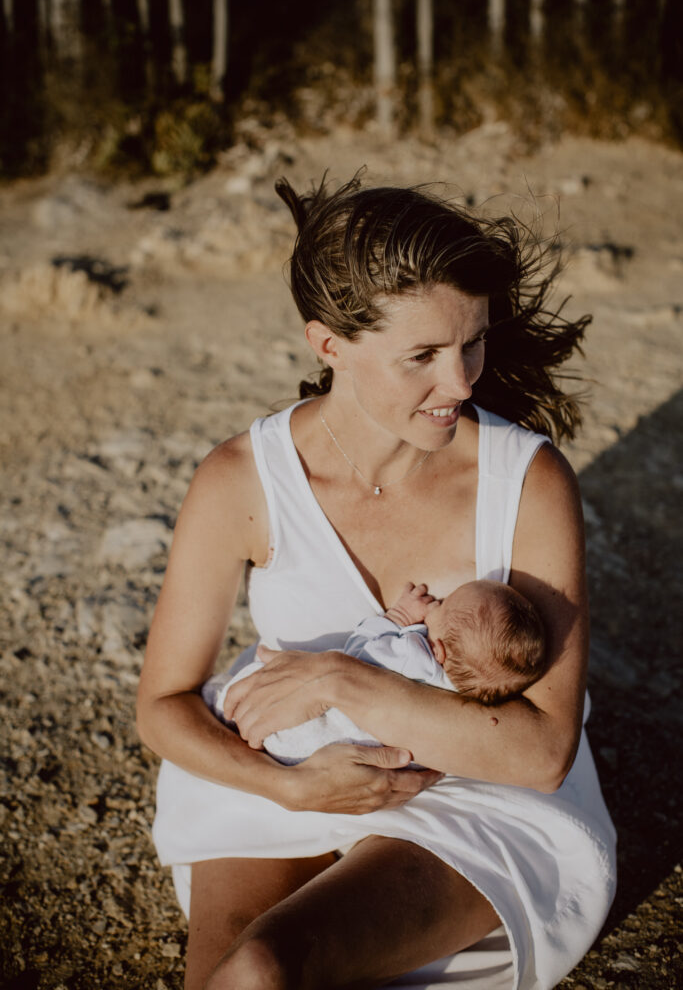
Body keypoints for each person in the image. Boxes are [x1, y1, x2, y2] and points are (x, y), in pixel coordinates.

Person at [137, 173, 616, 990]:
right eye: (422, 357)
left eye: (472, 342)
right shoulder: (242, 482)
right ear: (328, 345)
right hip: (282, 781)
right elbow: (163, 704)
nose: (461, 383)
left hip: (474, 789)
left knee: (265, 965)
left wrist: (338, 677)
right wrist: (286, 788)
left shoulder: (525, 482)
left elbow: (539, 751)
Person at [202, 579, 546, 766]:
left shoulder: (412, 655)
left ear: (438, 650)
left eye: (443, 604)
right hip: (340, 753)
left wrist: (398, 616)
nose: (435, 604)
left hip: (304, 724)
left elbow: (360, 649)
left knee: (254, 679)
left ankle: (216, 699)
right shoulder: (458, 692)